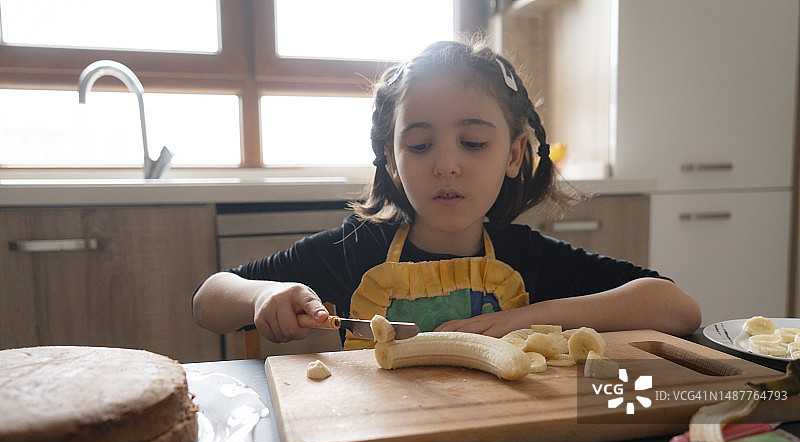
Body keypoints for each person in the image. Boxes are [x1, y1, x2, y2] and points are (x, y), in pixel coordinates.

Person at [192, 39, 701, 350]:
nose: (446, 164)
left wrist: (525, 319)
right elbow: (208, 300)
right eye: (419, 144)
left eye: (473, 142)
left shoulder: (528, 258)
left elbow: (677, 308)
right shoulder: (356, 251)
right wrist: (264, 295)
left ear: (514, 154)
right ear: (392, 159)